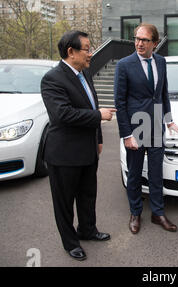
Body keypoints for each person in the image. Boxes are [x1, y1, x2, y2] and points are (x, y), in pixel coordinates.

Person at [41, 30, 116, 261]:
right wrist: (98, 116)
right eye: (86, 48)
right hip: (64, 154)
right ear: (70, 51)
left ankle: (88, 230)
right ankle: (70, 242)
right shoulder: (52, 79)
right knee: (64, 203)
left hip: (88, 150)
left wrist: (99, 139)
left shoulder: (85, 74)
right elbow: (62, 115)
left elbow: (91, 104)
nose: (91, 53)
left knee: (87, 196)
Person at [114, 23, 178, 234]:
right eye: (137, 38)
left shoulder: (161, 62)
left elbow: (163, 94)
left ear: (155, 43)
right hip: (135, 129)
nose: (139, 43)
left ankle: (157, 213)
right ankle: (135, 213)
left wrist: (169, 121)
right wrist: (127, 134)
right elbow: (120, 102)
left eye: (144, 40)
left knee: (156, 173)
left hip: (156, 128)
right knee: (134, 174)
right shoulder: (124, 65)